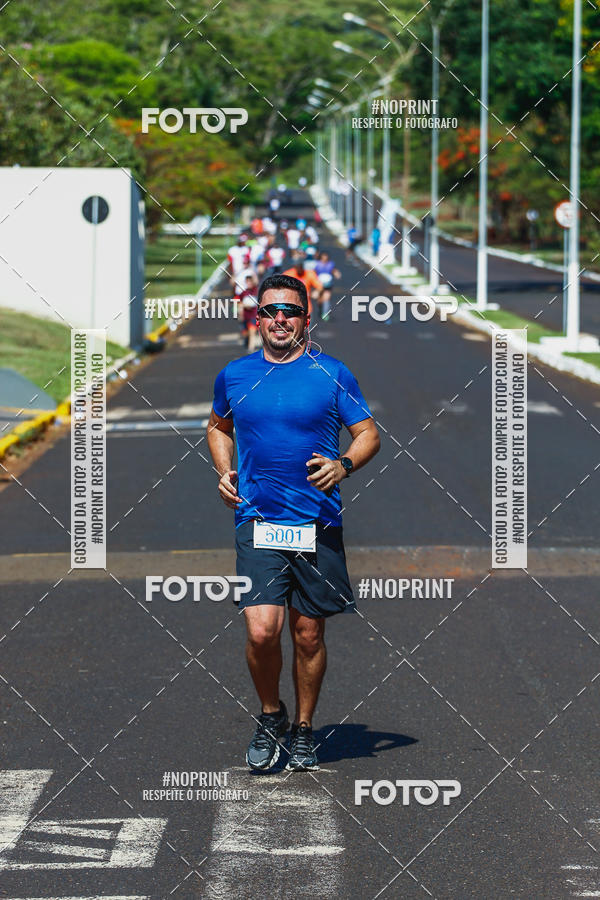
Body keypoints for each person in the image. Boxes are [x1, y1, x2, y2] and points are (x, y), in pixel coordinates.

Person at [207, 273, 380, 771]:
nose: (279, 319)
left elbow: (368, 433)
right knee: (262, 632)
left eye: (289, 311)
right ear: (257, 317)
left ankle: (304, 727)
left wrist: (343, 464)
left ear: (307, 317)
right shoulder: (235, 374)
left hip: (316, 523)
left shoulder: (332, 373)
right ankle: (270, 714)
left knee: (308, 635)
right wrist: (224, 472)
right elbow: (218, 425)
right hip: (257, 519)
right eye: (269, 311)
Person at [313, 251, 341, 321]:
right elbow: (313, 273)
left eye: (326, 257)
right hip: (319, 285)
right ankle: (320, 309)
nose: (324, 258)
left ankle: (325, 314)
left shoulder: (330, 264)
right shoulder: (317, 264)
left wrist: (337, 274)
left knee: (326, 298)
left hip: (328, 284)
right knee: (320, 300)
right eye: (323, 257)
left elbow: (333, 270)